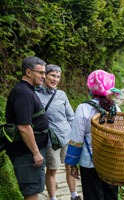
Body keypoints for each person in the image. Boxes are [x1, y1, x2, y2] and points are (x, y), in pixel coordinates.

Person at [65, 69, 121, 200]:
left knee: (93, 196)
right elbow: (120, 136)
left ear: (91, 87)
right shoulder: (116, 108)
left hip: (89, 162)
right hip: (110, 162)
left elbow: (76, 139)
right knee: (111, 196)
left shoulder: (83, 108)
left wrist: (73, 164)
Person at [5, 56, 49, 200]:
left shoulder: (27, 90)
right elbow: (24, 126)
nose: (44, 76)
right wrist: (36, 153)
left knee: (34, 188)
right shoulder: (23, 93)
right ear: (28, 72)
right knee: (31, 191)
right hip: (26, 153)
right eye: (40, 73)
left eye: (44, 73)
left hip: (28, 152)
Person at [35, 64, 81, 200]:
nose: (55, 79)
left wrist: (75, 137)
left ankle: (74, 195)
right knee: (52, 169)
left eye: (58, 77)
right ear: (45, 76)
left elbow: (71, 117)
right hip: (50, 140)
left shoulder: (61, 94)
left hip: (67, 136)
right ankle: (53, 198)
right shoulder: (35, 94)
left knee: (70, 167)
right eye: (53, 75)